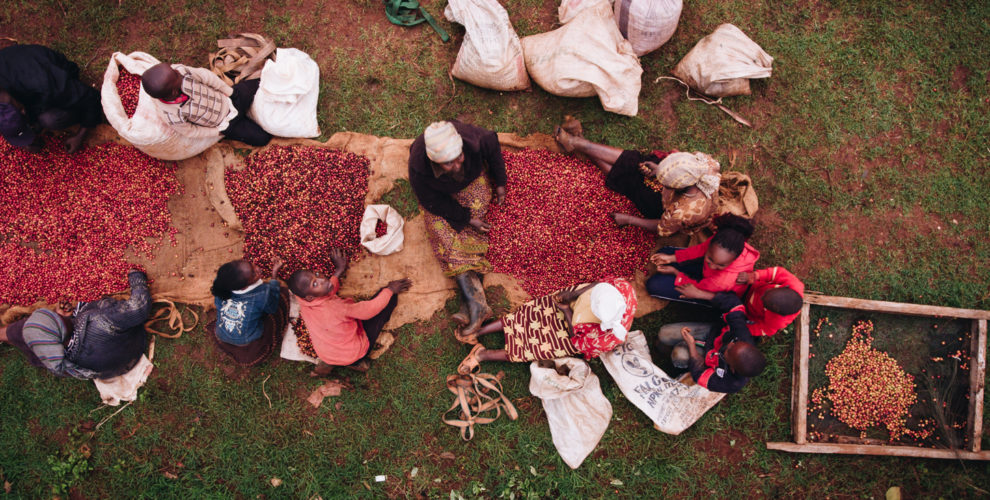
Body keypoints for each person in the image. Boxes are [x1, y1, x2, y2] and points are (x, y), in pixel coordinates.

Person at [408, 120, 507, 339]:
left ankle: (470, 305)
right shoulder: (419, 168)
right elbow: (432, 201)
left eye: (459, 158)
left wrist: (500, 182)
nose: (457, 166)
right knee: (441, 233)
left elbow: (493, 150)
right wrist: (466, 219)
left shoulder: (476, 140)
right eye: (448, 164)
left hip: (472, 185)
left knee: (477, 214)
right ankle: (476, 305)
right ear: (435, 162)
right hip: (443, 199)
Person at [553, 116, 720, 238]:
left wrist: (629, 219)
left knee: (632, 185)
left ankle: (579, 143)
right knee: (636, 162)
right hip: (674, 185)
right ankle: (579, 143)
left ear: (676, 188)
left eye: (664, 183)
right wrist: (657, 169)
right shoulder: (701, 165)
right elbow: (670, 168)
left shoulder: (684, 212)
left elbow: (660, 226)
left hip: (657, 207)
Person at [456, 278, 636, 374]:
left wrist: (566, 311)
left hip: (571, 335)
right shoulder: (622, 289)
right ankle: (480, 330)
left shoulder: (605, 339)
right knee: (529, 314)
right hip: (570, 305)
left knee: (533, 347)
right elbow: (599, 285)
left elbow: (577, 342)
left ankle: (483, 354)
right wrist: (572, 295)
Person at [0, 270, 150, 379]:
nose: (57, 312)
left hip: (111, 369)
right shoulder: (99, 323)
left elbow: (43, 335)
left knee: (25, 331)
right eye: (57, 317)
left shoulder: (57, 357)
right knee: (106, 309)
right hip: (132, 346)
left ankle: (4, 335)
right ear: (65, 327)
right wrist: (136, 278)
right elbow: (139, 308)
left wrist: (67, 318)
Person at [288, 249, 412, 375]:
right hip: (352, 352)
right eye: (315, 284)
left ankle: (331, 361)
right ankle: (356, 363)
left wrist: (338, 271)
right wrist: (390, 289)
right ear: (310, 297)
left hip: (327, 352)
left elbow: (327, 291)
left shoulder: (304, 301)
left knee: (338, 336)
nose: (322, 279)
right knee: (387, 302)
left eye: (317, 274)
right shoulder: (336, 307)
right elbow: (368, 310)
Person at [0, 44, 104, 153]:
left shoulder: (49, 87)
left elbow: (92, 97)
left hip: (49, 69)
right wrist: (26, 141)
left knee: (51, 120)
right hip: (19, 65)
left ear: (24, 110)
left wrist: (80, 135)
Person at [656, 291, 766, 393]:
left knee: (679, 354)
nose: (730, 344)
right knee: (664, 334)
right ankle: (676, 347)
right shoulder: (743, 337)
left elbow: (700, 375)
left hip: (704, 358)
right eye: (735, 343)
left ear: (732, 368)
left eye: (729, 351)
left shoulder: (731, 383)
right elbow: (735, 306)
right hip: (711, 335)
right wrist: (699, 293)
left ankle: (679, 365)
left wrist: (692, 345)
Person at [141, 62, 271, 146]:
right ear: (174, 92)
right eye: (175, 74)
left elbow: (207, 77)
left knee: (262, 83)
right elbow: (190, 131)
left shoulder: (182, 71)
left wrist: (229, 91)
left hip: (230, 99)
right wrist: (218, 132)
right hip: (225, 124)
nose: (177, 70)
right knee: (262, 139)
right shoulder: (172, 116)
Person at [646, 214, 759, 304]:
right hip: (708, 276)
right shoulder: (722, 242)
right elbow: (700, 250)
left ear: (734, 260)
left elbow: (700, 286)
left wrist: (677, 274)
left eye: (720, 265)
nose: (712, 266)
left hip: (710, 291)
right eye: (710, 259)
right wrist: (672, 258)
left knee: (654, 285)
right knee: (663, 252)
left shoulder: (721, 281)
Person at [679, 267, 805, 337]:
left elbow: (762, 329)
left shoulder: (777, 321)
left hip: (746, 310)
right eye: (766, 293)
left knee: (723, 308)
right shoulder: (794, 284)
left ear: (774, 311)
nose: (761, 297)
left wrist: (740, 327)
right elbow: (776, 273)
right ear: (784, 287)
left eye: (764, 304)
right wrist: (754, 276)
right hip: (751, 287)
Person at [209, 258, 288, 366]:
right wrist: (274, 276)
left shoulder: (221, 285)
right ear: (244, 287)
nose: (258, 269)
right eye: (253, 274)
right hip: (247, 339)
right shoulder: (262, 294)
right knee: (281, 300)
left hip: (221, 333)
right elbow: (273, 308)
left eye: (251, 264)